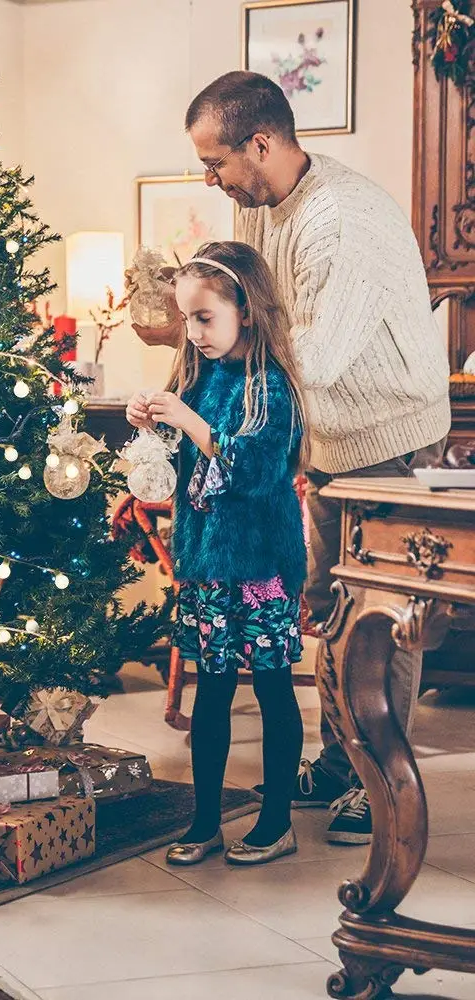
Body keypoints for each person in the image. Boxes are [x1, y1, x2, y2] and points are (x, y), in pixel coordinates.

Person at [134, 71, 451, 846]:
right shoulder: (272, 205)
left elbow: (317, 354)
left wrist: (207, 340)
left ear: (262, 144)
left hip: (389, 435)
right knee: (328, 602)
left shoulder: (337, 219)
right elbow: (264, 312)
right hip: (330, 440)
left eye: (217, 162)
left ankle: (376, 783)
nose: (211, 178)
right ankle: (346, 765)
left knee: (380, 616)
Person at [127, 241, 310, 866]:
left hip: (262, 569)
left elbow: (252, 471)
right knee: (210, 693)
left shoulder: (273, 388)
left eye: (206, 317)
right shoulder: (195, 381)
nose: (194, 331)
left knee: (272, 689)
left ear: (247, 310)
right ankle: (204, 821)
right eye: (187, 318)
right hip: (206, 566)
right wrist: (155, 423)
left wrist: (190, 420)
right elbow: (184, 469)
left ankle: (277, 821)